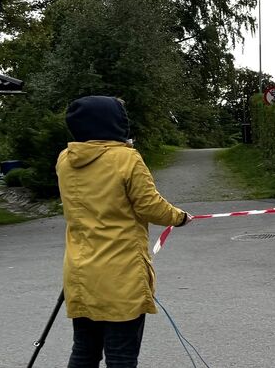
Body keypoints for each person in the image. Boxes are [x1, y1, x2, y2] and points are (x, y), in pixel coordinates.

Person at [57, 96, 192, 368]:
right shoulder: (126, 159)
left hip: (80, 272)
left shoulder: (65, 159)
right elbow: (150, 207)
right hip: (120, 274)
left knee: (84, 350)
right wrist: (179, 218)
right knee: (121, 356)